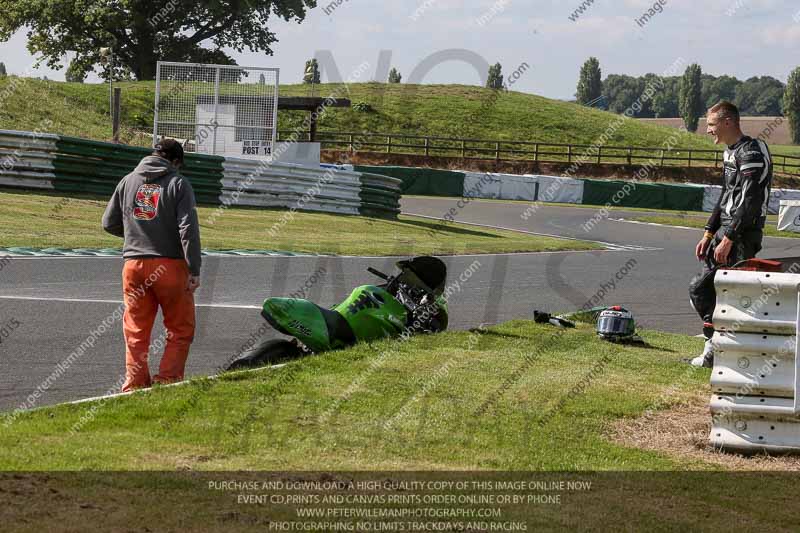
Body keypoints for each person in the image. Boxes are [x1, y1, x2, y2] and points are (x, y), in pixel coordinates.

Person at [102, 139, 202, 390]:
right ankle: (168, 380)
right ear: (175, 161)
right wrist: (194, 268)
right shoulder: (178, 183)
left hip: (133, 264)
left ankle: (135, 383)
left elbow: (108, 223)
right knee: (180, 327)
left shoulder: (127, 181)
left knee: (136, 328)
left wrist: (137, 235)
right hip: (170, 265)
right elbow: (188, 229)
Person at [689, 101, 773, 367]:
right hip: (726, 229)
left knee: (723, 294)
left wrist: (729, 238)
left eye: (711, 124)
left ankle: (724, 351)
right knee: (707, 291)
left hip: (742, 233)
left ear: (728, 122)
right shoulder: (730, 152)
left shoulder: (751, 152)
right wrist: (708, 232)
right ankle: (715, 346)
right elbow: (726, 194)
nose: (708, 130)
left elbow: (750, 201)